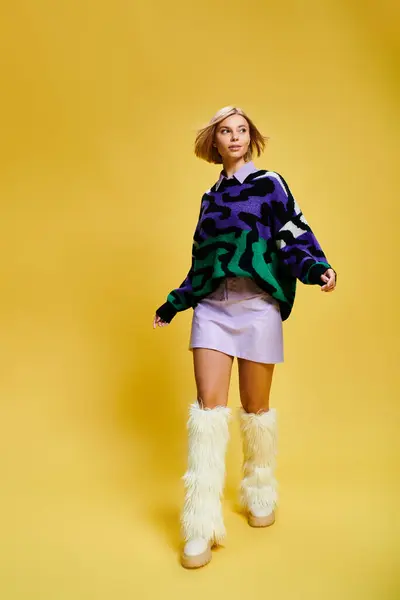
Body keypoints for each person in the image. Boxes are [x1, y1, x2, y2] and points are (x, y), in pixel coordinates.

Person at [153, 106, 337, 569]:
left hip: (258, 310)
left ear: (249, 138)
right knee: (207, 411)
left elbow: (294, 230)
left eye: (240, 131)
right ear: (213, 142)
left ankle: (258, 489)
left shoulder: (270, 184)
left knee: (256, 408)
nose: (234, 137)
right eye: (225, 132)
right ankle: (200, 523)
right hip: (213, 309)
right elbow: (200, 260)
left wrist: (317, 269)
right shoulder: (209, 197)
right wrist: (175, 303)